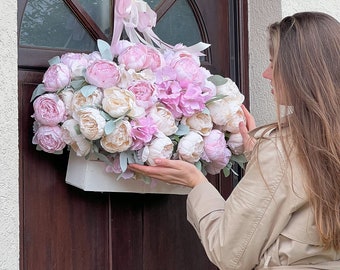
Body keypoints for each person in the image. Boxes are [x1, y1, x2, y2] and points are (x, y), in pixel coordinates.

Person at [128, 12, 340, 269]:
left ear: (301, 72)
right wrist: (259, 155)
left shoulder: (281, 150)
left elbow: (230, 253)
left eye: (274, 63)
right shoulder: (318, 142)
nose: (265, 74)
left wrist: (197, 184)